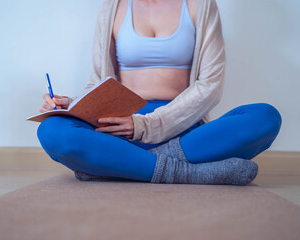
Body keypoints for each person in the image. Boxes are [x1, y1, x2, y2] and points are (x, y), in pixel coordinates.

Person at [37, 0, 282, 185]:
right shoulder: (113, 6)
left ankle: (116, 165)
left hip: (182, 131)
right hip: (118, 130)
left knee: (265, 117)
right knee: (51, 130)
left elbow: (210, 86)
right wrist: (72, 104)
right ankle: (187, 174)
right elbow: (98, 83)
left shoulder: (201, 4)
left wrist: (146, 125)